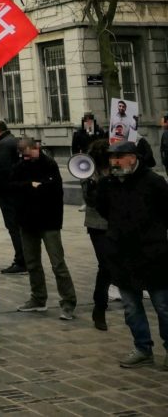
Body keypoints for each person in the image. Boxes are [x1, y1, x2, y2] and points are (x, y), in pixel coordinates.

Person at [95, 141, 168, 368]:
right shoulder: (108, 184)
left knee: (163, 307)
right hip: (122, 254)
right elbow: (103, 209)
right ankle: (142, 348)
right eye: (112, 158)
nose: (115, 162)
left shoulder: (153, 182)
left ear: (133, 158)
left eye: (120, 157)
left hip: (152, 253)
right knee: (131, 307)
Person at [11, 137, 76, 320]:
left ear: (35, 148)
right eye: (22, 155)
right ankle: (38, 298)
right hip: (27, 221)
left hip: (49, 221)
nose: (25, 158)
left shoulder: (49, 164)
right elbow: (12, 187)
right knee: (32, 263)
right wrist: (31, 186)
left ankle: (68, 301)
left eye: (27, 154)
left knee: (58, 263)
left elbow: (54, 190)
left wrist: (33, 188)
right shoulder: (20, 165)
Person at [81, 140, 113, 331]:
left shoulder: (115, 169)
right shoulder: (88, 171)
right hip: (97, 224)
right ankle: (99, 307)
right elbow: (89, 199)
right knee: (105, 265)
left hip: (116, 222)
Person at [0, 119, 25, 274]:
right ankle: (25, 259)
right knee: (19, 226)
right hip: (17, 191)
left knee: (13, 227)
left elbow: (3, 170)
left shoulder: (3, 144)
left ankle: (21, 260)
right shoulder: (14, 140)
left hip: (9, 192)